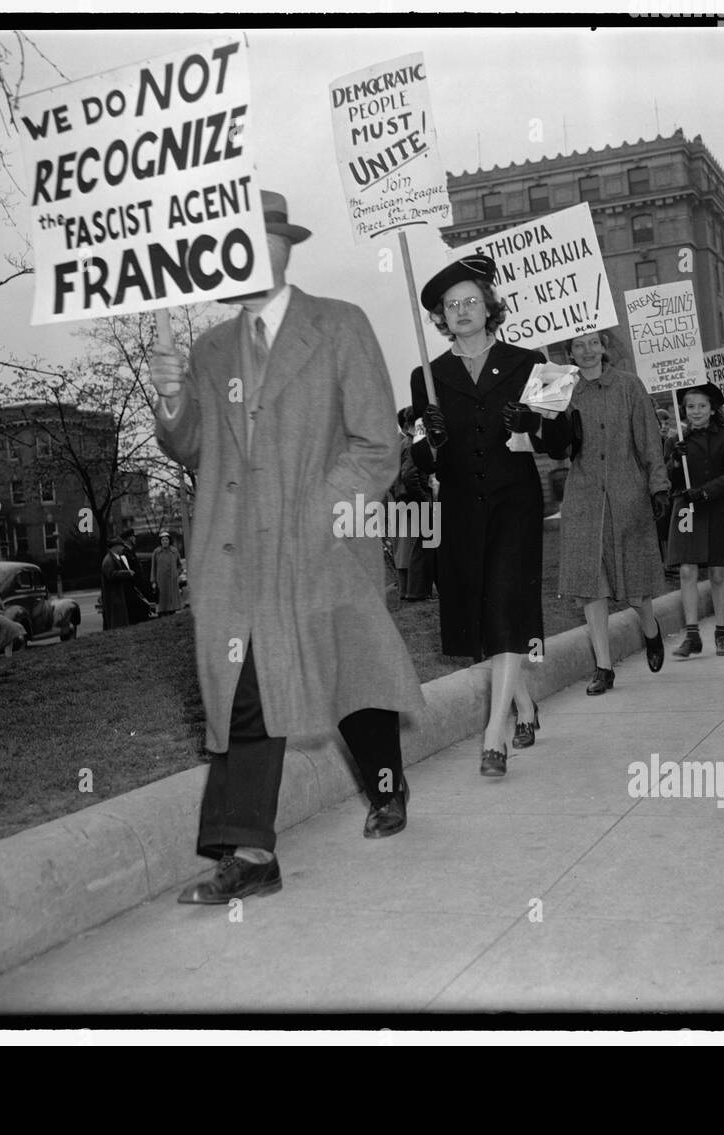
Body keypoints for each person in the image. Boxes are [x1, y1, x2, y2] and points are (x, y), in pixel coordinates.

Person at [150, 190, 425, 903]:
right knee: (245, 688)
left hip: (321, 544)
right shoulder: (209, 350)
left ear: (284, 246)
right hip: (238, 557)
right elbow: (194, 446)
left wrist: (321, 511)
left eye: (254, 238)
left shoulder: (339, 325)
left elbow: (377, 443)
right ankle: (249, 852)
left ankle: (386, 786)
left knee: (350, 679)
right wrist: (172, 400)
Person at [409, 254, 546, 776]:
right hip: (463, 506)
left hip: (515, 500)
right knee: (487, 609)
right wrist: (431, 437)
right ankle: (526, 704)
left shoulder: (527, 361)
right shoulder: (428, 375)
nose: (462, 311)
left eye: (471, 301)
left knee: (508, 601)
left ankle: (496, 736)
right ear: (441, 317)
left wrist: (532, 419)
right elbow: (423, 460)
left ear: (490, 307)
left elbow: (560, 437)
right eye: (451, 305)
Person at [541, 329, 668, 694]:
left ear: (604, 347)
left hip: (627, 493)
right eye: (578, 346)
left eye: (593, 343)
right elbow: (552, 448)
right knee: (589, 585)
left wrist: (658, 486)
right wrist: (545, 409)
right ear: (569, 352)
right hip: (583, 498)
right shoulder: (563, 389)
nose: (587, 351)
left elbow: (648, 440)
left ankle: (651, 629)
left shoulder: (629, 385)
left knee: (635, 586)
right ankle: (603, 667)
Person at [664, 384, 724, 657]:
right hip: (686, 509)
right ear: (683, 411)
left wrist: (705, 491)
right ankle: (692, 636)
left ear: (713, 409)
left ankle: (721, 633)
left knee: (717, 573)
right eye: (690, 407)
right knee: (687, 571)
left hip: (717, 508)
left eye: (702, 406)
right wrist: (675, 461)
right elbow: (667, 480)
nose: (696, 411)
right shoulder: (677, 441)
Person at [391, 407, 435, 601]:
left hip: (405, 498)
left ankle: (412, 590)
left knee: (417, 544)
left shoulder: (402, 444)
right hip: (415, 498)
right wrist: (423, 495)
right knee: (425, 544)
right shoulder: (411, 445)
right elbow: (409, 474)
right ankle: (417, 591)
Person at [120, 527, 155, 623]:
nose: (135, 539)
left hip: (139, 587)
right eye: (133, 537)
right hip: (134, 588)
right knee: (139, 615)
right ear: (130, 538)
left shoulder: (130, 551)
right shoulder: (125, 553)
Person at [99, 534, 134, 629]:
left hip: (115, 595)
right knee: (116, 621)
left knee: (119, 619)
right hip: (113, 596)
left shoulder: (112, 558)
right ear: (116, 547)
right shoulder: (108, 560)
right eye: (121, 546)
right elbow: (111, 575)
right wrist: (127, 573)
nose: (123, 548)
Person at [151, 531, 183, 614]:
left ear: (169, 541)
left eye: (166, 540)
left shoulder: (174, 551)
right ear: (160, 541)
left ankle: (172, 612)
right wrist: (153, 581)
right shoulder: (156, 552)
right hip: (161, 581)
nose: (165, 542)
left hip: (172, 580)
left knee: (172, 602)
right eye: (163, 540)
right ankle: (162, 614)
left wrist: (177, 573)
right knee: (162, 601)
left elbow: (179, 565)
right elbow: (153, 568)